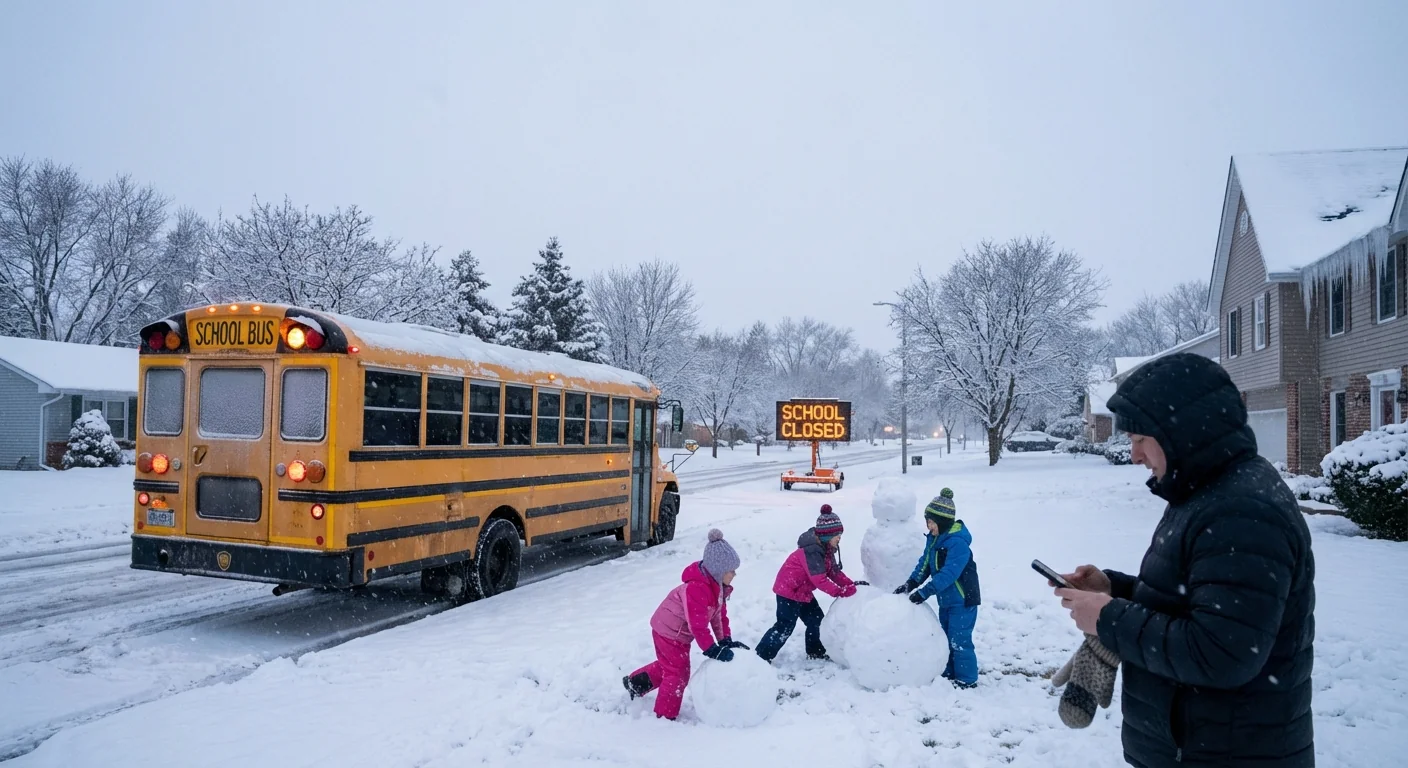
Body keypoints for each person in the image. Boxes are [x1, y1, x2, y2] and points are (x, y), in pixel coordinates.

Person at [1052, 353, 1315, 767]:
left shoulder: (1242, 511)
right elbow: (1190, 598)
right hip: (1195, 747)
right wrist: (1113, 589)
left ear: (1181, 432)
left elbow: (1222, 653)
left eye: (1140, 439)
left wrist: (1110, 619)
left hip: (1226, 753)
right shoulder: (1204, 491)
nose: (1134, 455)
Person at [623, 528, 747, 720]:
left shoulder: (718, 588)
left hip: (676, 631)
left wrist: (725, 640)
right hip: (669, 632)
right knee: (678, 672)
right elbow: (698, 625)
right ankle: (664, 716)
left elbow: (718, 616)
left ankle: (636, 683)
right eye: (731, 571)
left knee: (670, 665)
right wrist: (712, 649)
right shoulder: (698, 589)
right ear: (719, 570)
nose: (734, 575)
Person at [894, 487, 982, 689]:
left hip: (963, 599)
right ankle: (949, 672)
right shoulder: (934, 539)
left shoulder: (957, 543)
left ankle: (967, 679)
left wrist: (925, 592)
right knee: (946, 638)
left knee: (959, 641)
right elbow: (924, 564)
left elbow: (949, 574)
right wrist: (911, 583)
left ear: (941, 522)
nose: (929, 526)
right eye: (928, 522)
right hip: (946, 600)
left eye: (932, 522)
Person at [755, 505, 865, 662]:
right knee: (785, 626)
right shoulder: (812, 550)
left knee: (817, 621)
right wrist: (840, 592)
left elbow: (834, 572)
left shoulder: (826, 549)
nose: (839, 538)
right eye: (837, 535)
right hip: (788, 591)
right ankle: (761, 656)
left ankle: (816, 651)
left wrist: (850, 585)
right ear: (827, 535)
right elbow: (819, 579)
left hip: (803, 592)